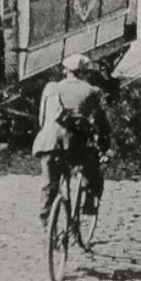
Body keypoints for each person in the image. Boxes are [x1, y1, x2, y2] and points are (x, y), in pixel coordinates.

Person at [34, 52, 113, 226]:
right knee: (93, 171)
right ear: (85, 73)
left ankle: (46, 223)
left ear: (66, 71)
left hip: (48, 143)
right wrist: (105, 148)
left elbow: (41, 120)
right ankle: (89, 206)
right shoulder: (92, 91)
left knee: (49, 184)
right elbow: (102, 124)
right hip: (74, 147)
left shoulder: (50, 88)